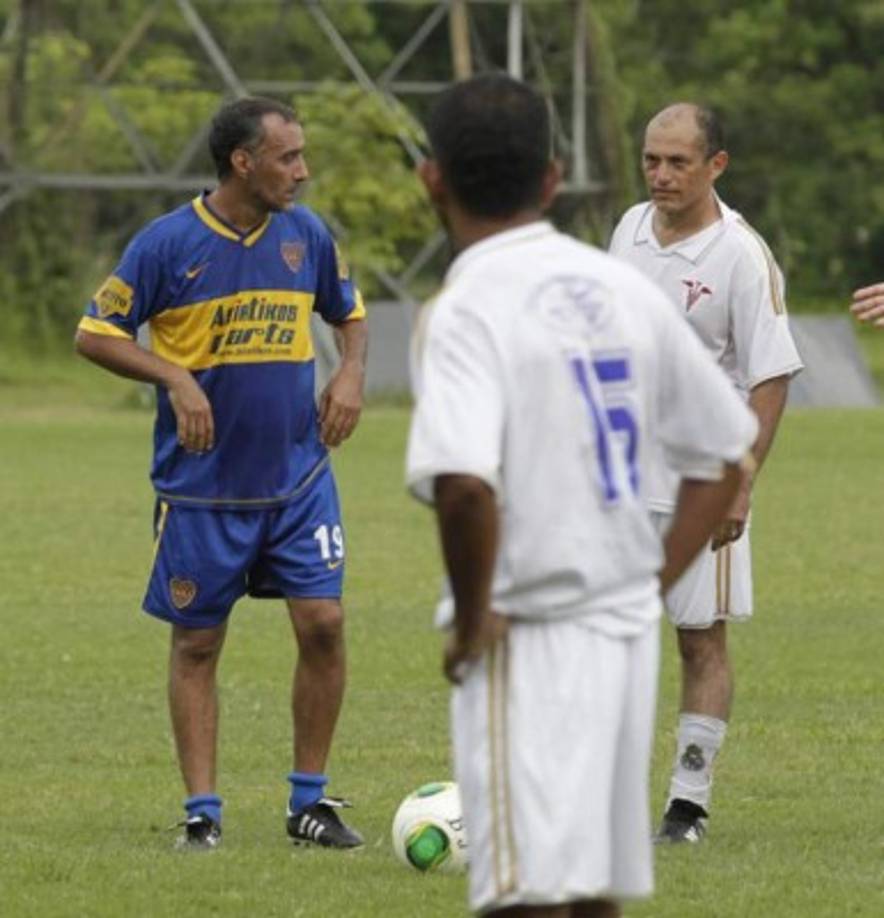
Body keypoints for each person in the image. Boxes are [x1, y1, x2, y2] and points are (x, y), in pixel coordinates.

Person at [407, 73, 759, 918]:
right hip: (620, 631)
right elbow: (726, 452)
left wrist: (475, 611)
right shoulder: (620, 284)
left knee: (519, 893)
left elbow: (462, 487)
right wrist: (646, 582)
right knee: (594, 890)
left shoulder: (467, 306)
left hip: (524, 629)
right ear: (553, 179)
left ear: (432, 177)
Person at [74, 96, 367, 851]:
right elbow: (94, 332)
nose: (301, 171)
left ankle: (310, 804)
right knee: (198, 645)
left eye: (302, 156)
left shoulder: (306, 233)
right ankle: (202, 813)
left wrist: (350, 376)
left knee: (325, 624)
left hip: (299, 480)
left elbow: (350, 313)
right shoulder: (167, 244)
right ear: (244, 162)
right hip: (202, 493)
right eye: (288, 158)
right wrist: (174, 376)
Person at [609, 103, 803, 844]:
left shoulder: (740, 256)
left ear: (714, 166)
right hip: (617, 478)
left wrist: (740, 482)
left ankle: (687, 803)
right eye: (651, 159)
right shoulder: (628, 229)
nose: (659, 175)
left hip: (699, 479)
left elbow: (772, 378)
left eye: (677, 162)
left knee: (699, 639)